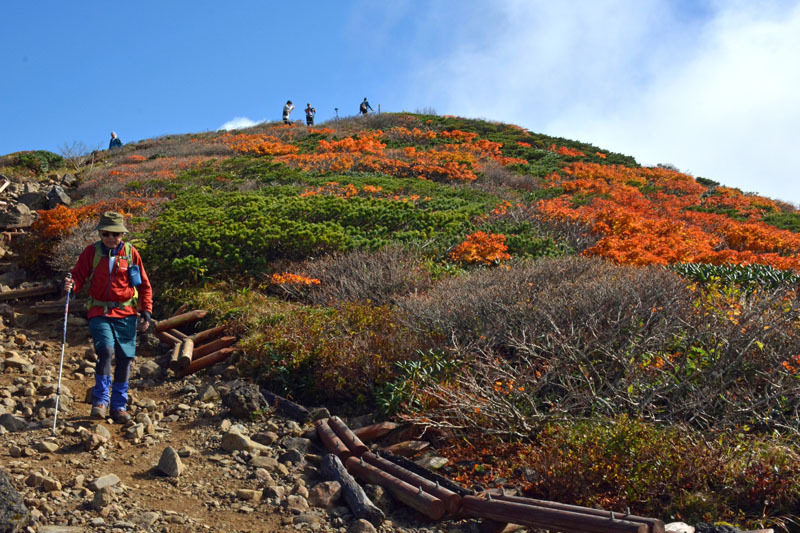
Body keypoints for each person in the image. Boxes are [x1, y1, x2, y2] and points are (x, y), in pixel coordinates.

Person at [63, 212, 153, 424]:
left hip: (126, 313)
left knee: (125, 357)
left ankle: (119, 406)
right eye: (106, 233)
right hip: (99, 311)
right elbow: (78, 276)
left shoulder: (131, 254)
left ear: (122, 234)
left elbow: (144, 285)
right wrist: (71, 286)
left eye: (116, 234)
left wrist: (146, 310)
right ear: (100, 233)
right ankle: (100, 402)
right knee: (105, 350)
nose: (111, 238)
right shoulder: (91, 253)